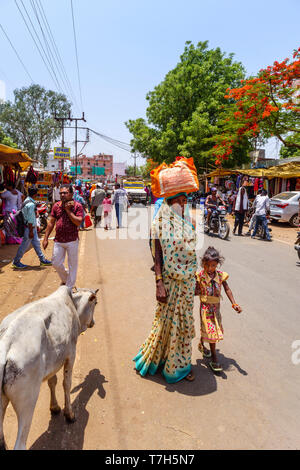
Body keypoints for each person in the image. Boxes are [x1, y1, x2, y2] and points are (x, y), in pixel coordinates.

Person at [134, 192, 198, 383]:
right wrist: (159, 283)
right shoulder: (159, 224)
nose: (182, 204)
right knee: (166, 323)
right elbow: (158, 256)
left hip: (187, 282)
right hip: (169, 281)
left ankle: (180, 366)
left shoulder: (188, 222)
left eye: (184, 200)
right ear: (169, 203)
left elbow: (191, 253)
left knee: (184, 324)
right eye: (178, 200)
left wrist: (195, 279)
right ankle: (162, 361)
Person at [196, 246, 242, 373]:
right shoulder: (200, 276)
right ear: (203, 264)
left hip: (216, 310)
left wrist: (234, 304)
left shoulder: (221, 276)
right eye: (207, 265)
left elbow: (227, 289)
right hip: (205, 308)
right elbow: (195, 290)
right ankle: (214, 358)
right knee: (211, 332)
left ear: (217, 265)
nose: (210, 268)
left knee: (211, 330)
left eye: (213, 265)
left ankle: (201, 344)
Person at [42, 185, 84, 289]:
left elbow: (78, 222)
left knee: (72, 265)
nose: (62, 195)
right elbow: (51, 222)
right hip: (59, 240)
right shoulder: (56, 206)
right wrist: (46, 238)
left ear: (71, 194)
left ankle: (69, 289)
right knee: (56, 263)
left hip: (72, 240)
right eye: (61, 193)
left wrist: (68, 210)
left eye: (65, 193)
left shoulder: (77, 206)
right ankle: (66, 280)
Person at [12, 188, 52, 269]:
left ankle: (42, 259)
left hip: (31, 228)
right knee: (24, 246)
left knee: (36, 244)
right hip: (29, 228)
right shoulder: (30, 204)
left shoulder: (28, 200)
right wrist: (31, 231)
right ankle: (16, 262)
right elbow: (30, 220)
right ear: (35, 194)